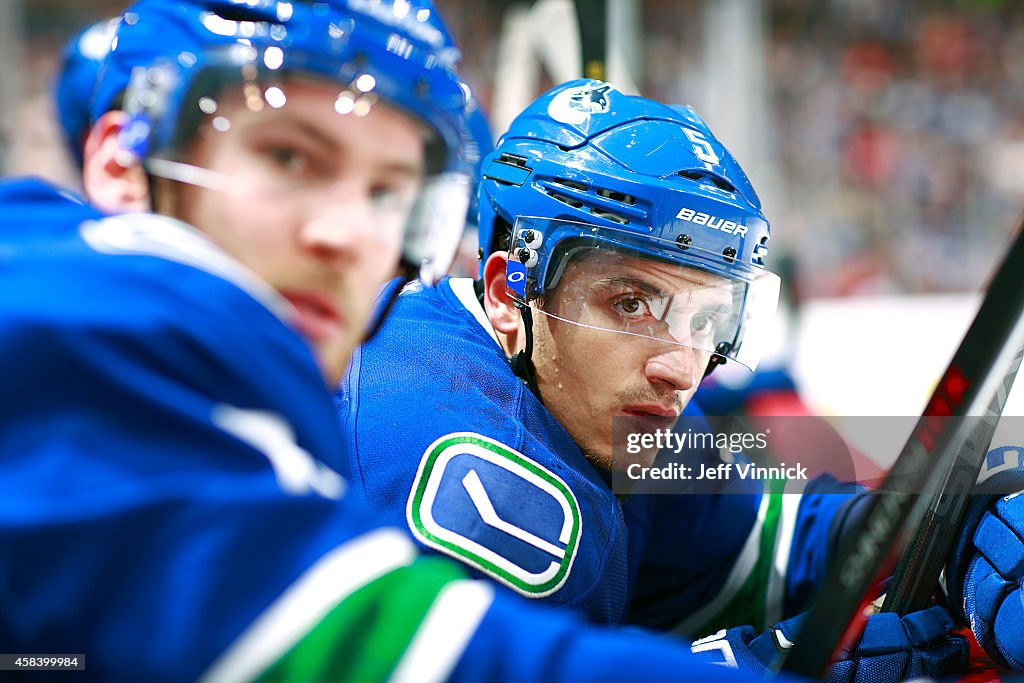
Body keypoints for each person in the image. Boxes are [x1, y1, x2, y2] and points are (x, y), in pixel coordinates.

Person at [0, 2, 820, 681]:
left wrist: (948, 512)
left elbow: (785, 522)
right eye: (289, 157)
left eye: (389, 192)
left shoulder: (231, 385)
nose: (349, 234)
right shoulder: (64, 341)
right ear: (118, 163)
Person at [334, 78, 1022, 676]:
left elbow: (763, 537)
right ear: (511, 296)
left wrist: (933, 521)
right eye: (630, 303)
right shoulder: (461, 453)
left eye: (704, 319)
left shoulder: (616, 405)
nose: (680, 367)